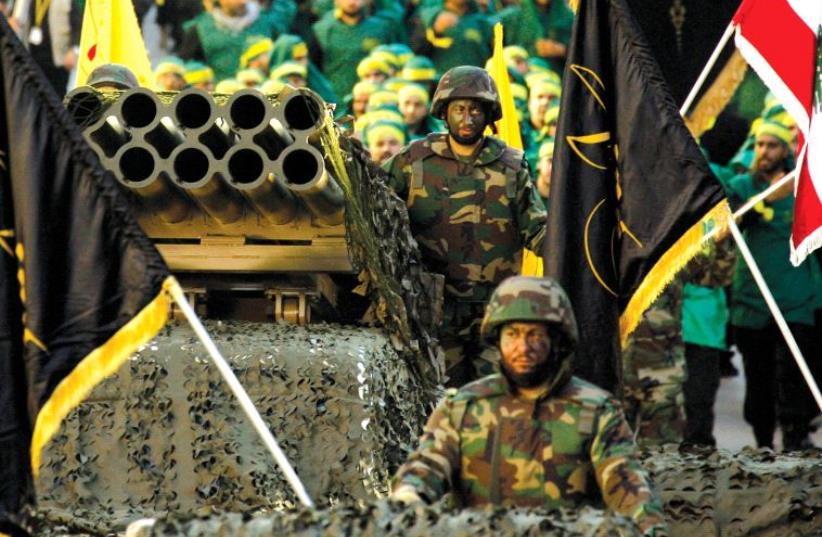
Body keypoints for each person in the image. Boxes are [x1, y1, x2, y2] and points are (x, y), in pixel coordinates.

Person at [391, 276, 669, 537]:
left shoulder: (595, 411)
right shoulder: (463, 407)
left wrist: (646, 526)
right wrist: (407, 499)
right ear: (497, 340)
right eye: (512, 334)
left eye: (535, 335)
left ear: (556, 340)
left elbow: (626, 484)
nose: (523, 347)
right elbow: (427, 466)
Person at [382, 66, 546, 386]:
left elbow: (537, 229)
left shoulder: (511, 166)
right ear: (445, 112)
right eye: (459, 109)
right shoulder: (414, 160)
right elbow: (375, 207)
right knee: (440, 399)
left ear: (488, 115)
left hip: (495, 308)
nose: (467, 118)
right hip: (435, 309)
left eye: (475, 110)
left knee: (496, 397)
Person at [724, 119, 822, 451]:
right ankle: (763, 444)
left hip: (795, 300)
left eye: (772, 145)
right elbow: (729, 224)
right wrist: (766, 200)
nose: (764, 152)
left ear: (786, 150)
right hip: (752, 302)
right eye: (760, 145)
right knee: (758, 383)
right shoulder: (740, 185)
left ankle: (796, 441)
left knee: (794, 379)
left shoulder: (806, 186)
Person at [178, 0, 295, 81]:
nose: (242, 2)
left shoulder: (266, 23)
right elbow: (187, 67)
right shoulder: (200, 28)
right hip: (220, 98)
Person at [311, 0, 400, 100]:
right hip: (335, 100)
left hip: (373, 99)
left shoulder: (382, 29)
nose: (352, 2)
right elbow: (315, 70)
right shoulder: (322, 31)